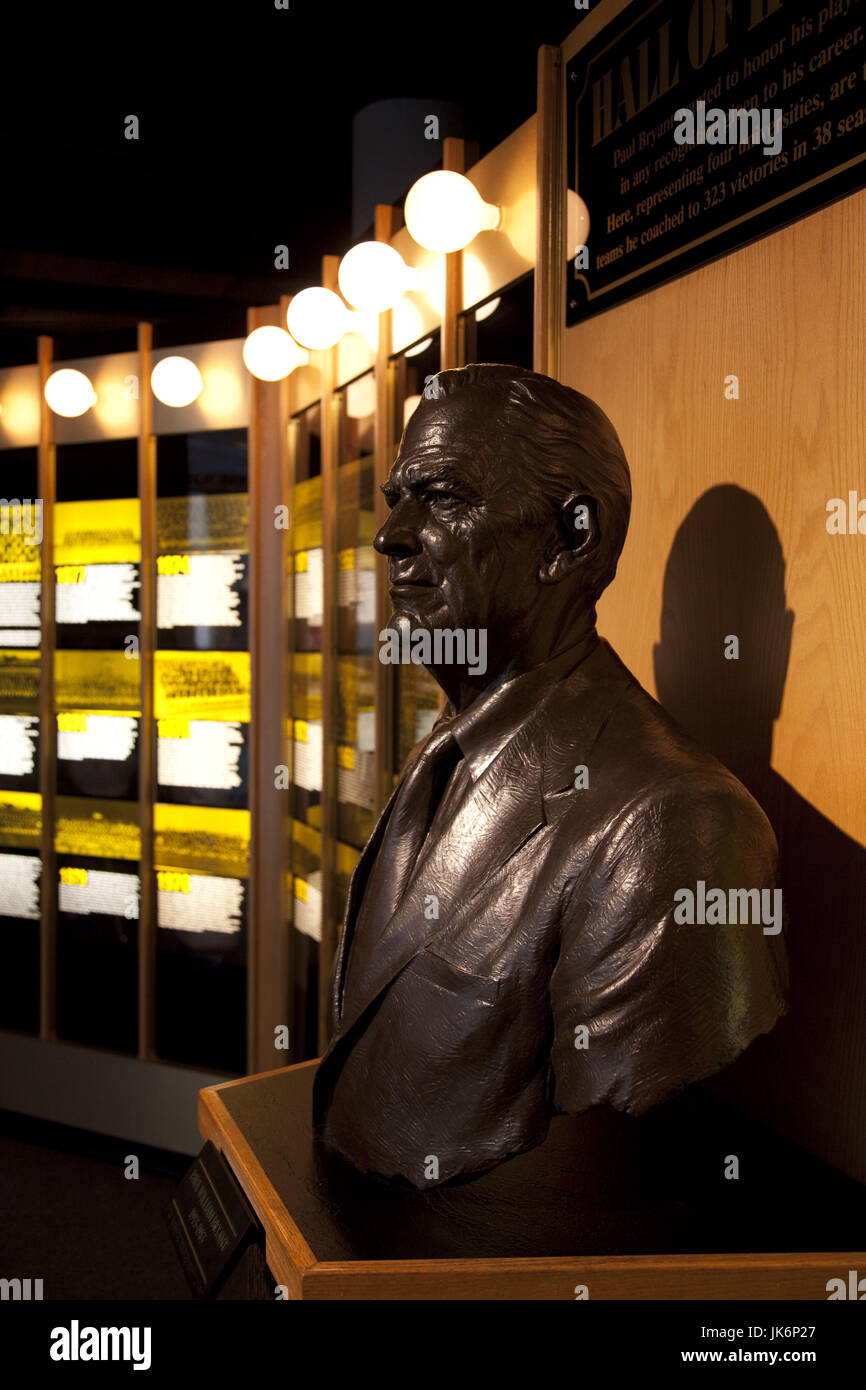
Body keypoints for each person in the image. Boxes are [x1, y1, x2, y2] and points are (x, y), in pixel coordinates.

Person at [313, 363, 787, 1188]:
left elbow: (616, 1129)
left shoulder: (673, 826)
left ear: (571, 537)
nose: (391, 535)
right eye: (397, 497)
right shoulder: (450, 753)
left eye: (445, 497)